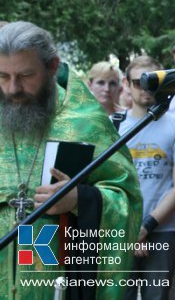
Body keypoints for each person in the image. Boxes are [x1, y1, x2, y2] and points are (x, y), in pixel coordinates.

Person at [0, 21, 142, 299]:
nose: (12, 88)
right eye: (2, 76)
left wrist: (78, 199)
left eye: (26, 75)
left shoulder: (85, 121)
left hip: (53, 269)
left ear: (52, 67)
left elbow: (127, 197)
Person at [121, 55, 175, 300]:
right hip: (120, 229)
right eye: (138, 82)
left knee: (159, 296)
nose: (145, 89)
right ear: (126, 84)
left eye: (152, 82)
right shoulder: (114, 126)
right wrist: (131, 229)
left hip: (163, 228)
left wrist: (145, 228)